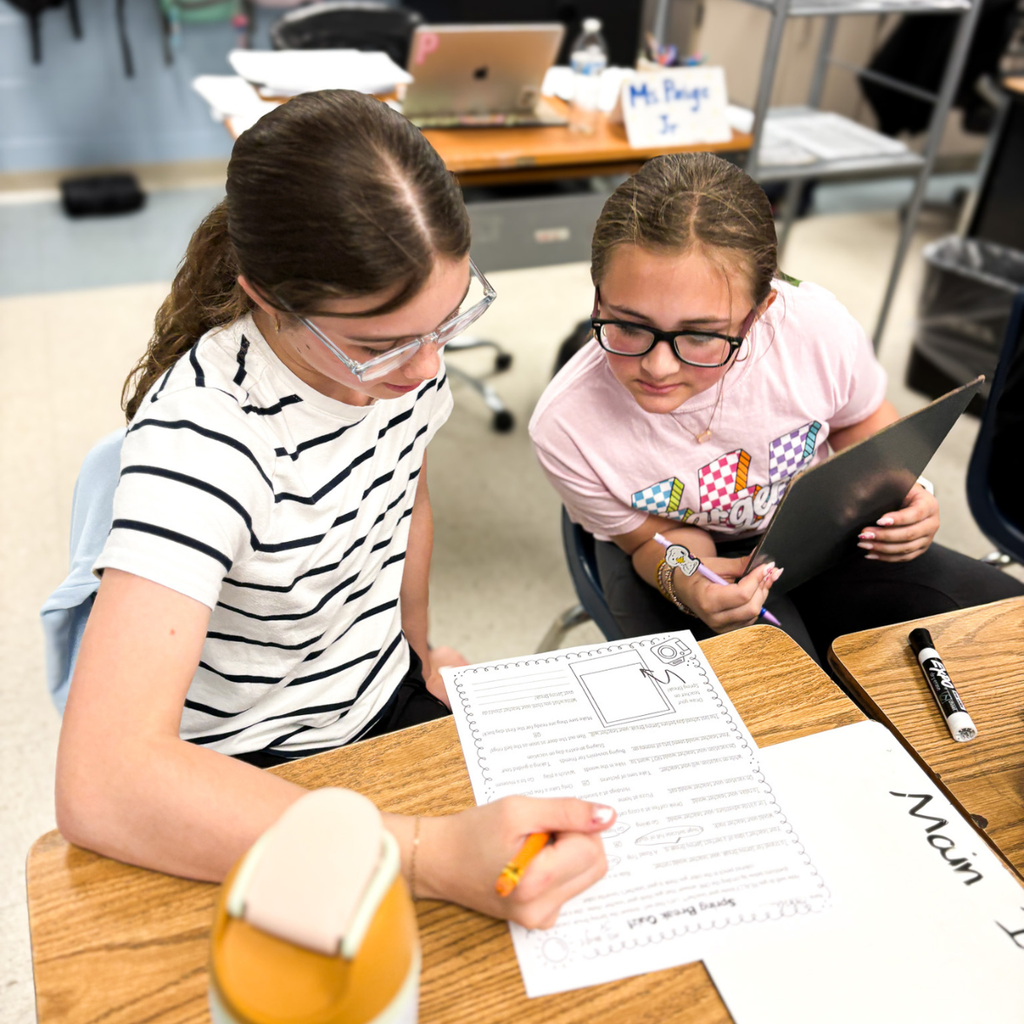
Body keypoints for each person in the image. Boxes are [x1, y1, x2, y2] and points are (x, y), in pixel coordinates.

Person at [55, 90, 614, 931]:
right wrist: (422, 853)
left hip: (379, 695)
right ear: (267, 299)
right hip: (251, 764)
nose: (426, 371)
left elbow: (402, 501)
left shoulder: (398, 372)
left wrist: (416, 649)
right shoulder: (204, 444)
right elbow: (102, 782)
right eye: (379, 342)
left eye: (449, 323)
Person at [529, 152, 1024, 662]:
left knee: (998, 632)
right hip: (684, 549)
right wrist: (687, 579)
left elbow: (862, 421)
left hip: (820, 527)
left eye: (700, 335)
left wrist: (905, 491)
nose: (657, 367)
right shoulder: (567, 425)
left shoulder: (815, 330)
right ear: (597, 297)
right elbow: (651, 541)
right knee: (794, 709)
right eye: (628, 325)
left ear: (759, 312)